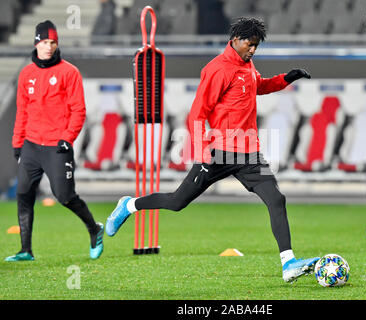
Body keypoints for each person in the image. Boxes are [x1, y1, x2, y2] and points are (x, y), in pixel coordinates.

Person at [106, 17, 319, 283]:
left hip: (249, 153)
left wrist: (286, 79)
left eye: (256, 46)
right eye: (249, 44)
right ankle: (129, 204)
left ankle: (289, 264)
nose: (253, 50)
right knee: (177, 202)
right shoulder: (218, 69)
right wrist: (202, 149)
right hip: (219, 150)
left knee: (277, 199)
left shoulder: (247, 65)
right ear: (235, 40)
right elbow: (198, 113)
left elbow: (257, 86)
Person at [6, 20, 104, 262]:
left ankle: (94, 228)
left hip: (56, 146)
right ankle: (25, 251)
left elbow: (78, 110)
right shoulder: (26, 73)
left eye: (52, 42)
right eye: (44, 42)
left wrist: (67, 138)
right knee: (23, 194)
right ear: (36, 43)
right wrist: (18, 143)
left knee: (64, 196)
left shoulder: (69, 72)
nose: (48, 47)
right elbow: (22, 111)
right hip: (30, 144)